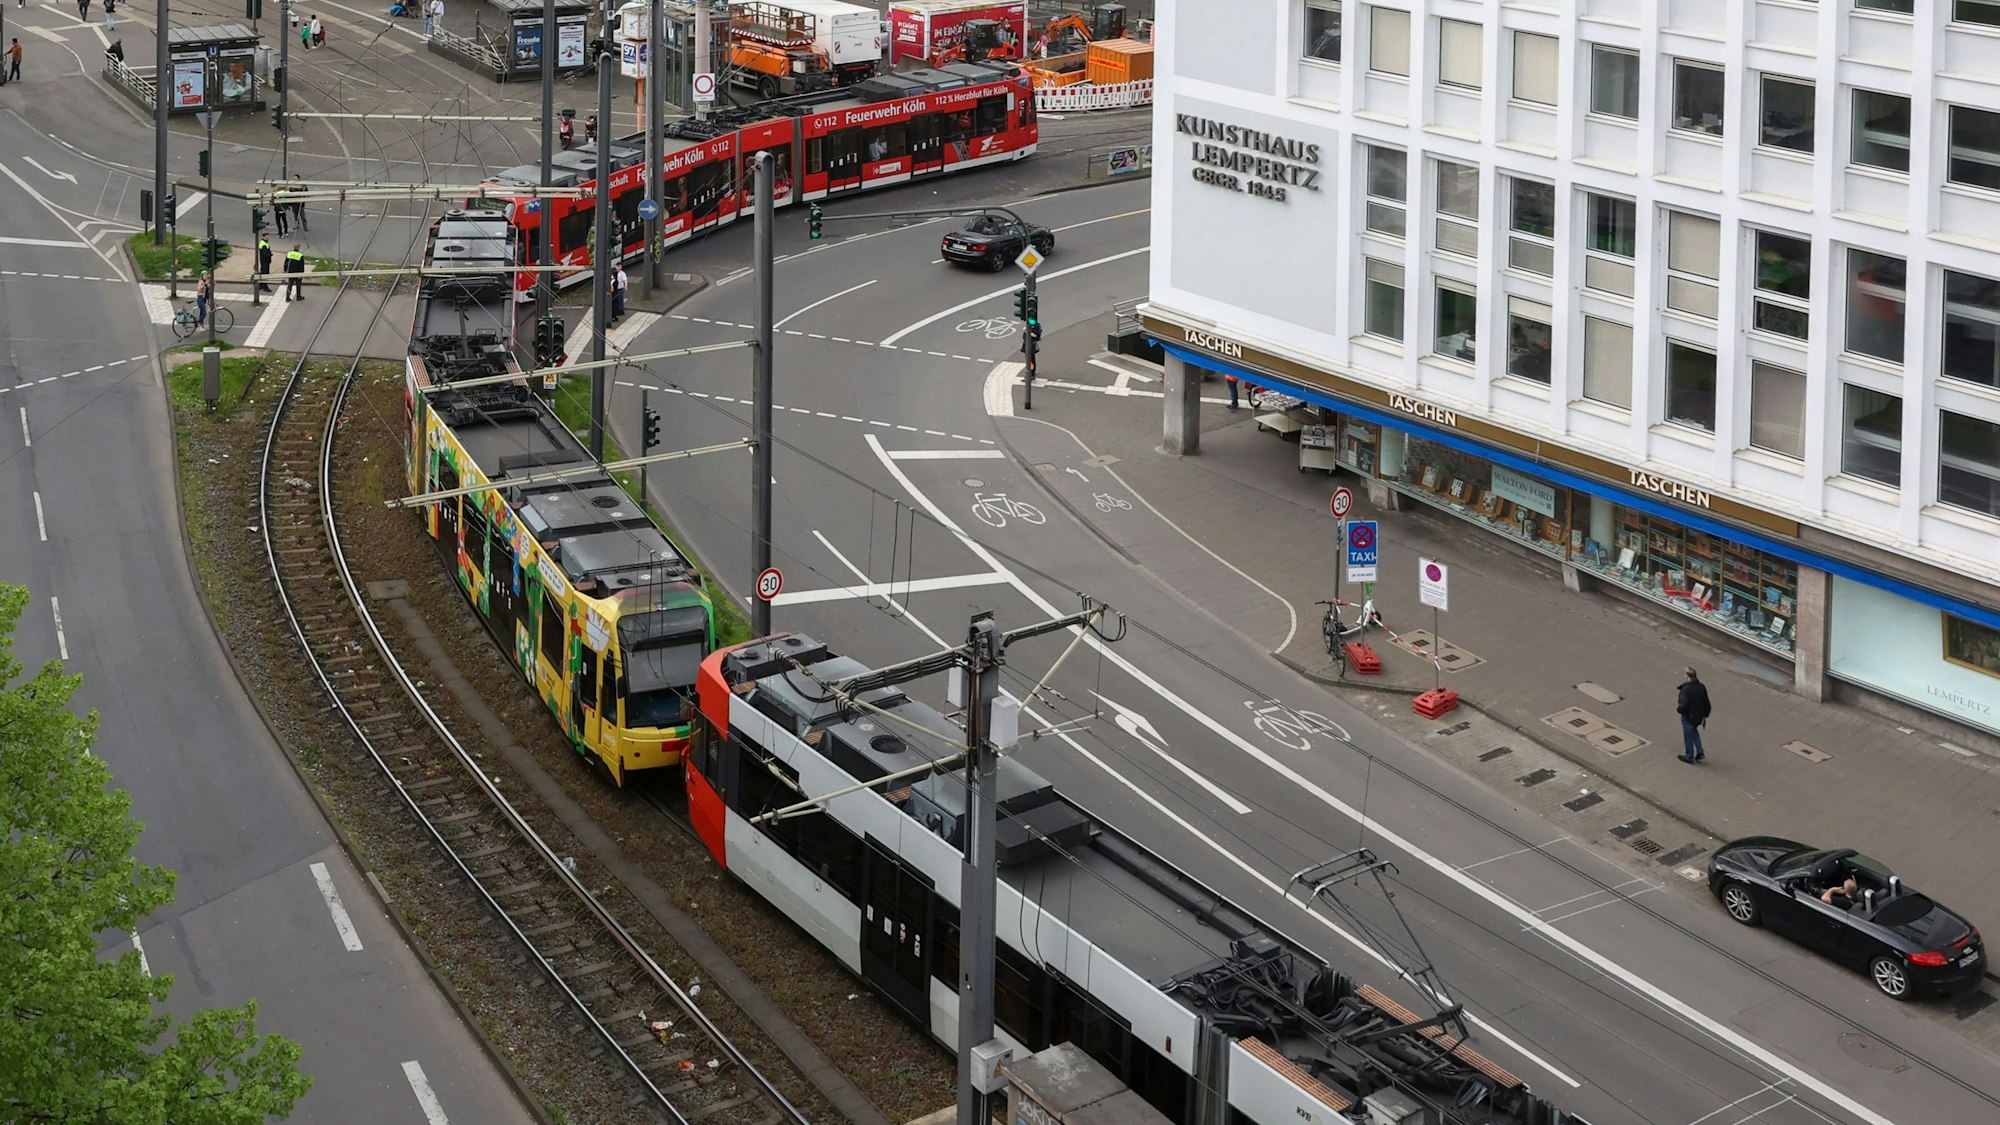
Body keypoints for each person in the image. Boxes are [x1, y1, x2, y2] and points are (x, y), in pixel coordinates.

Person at [1675, 667, 1711, 763]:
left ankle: (1689, 756)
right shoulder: (1701, 687)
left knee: (1688, 736)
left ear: (1687, 675)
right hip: (1698, 716)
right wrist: (1705, 714)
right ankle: (1700, 751)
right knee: (1693, 730)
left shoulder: (1686, 689)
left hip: (1689, 715)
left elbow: (1684, 705)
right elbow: (1707, 702)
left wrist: (1679, 709)